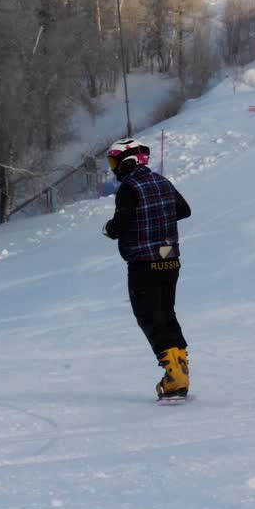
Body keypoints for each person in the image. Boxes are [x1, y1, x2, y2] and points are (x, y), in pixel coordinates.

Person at [102, 138, 193, 400]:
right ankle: (180, 370)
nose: (113, 168)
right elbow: (184, 210)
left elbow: (119, 226)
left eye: (114, 162)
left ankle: (173, 375)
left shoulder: (129, 188)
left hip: (143, 262)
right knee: (166, 313)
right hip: (170, 259)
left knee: (149, 317)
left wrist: (109, 229)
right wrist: (158, 215)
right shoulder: (162, 182)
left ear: (128, 161)